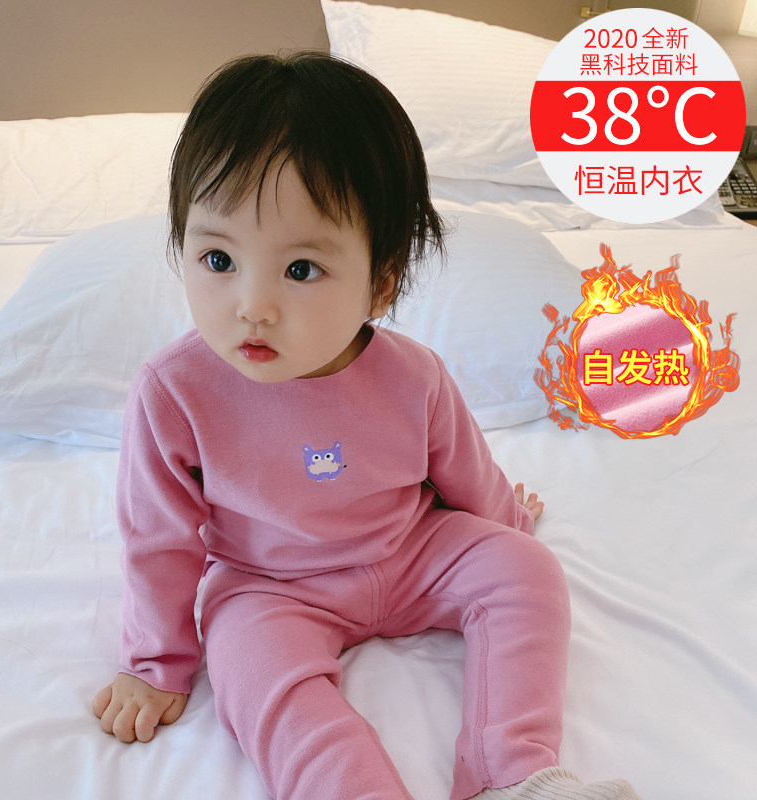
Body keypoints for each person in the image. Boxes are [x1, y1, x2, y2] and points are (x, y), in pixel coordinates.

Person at [93, 52, 642, 800]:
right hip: (269, 585)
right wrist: (155, 663)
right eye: (217, 258)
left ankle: (509, 774)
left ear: (380, 283)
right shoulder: (174, 393)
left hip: (409, 552)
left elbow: (465, 471)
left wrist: (508, 522)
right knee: (252, 668)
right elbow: (157, 539)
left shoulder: (412, 376)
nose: (252, 305)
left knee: (525, 568)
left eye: (301, 270)